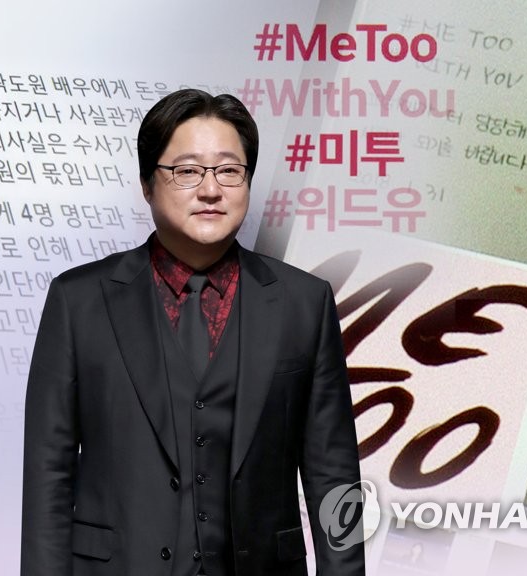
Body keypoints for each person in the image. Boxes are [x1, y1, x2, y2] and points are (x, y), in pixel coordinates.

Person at [21, 88, 365, 576]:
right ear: (147, 183)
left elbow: (335, 477)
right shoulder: (78, 301)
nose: (210, 190)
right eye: (187, 171)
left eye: (229, 171)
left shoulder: (304, 302)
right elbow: (48, 474)